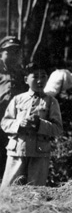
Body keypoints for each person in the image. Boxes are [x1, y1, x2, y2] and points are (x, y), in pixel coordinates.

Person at [1, 63, 62, 187]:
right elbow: (5, 122)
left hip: (39, 154)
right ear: (26, 80)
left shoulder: (51, 102)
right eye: (35, 77)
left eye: (43, 76)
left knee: (35, 192)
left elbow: (58, 129)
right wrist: (19, 124)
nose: (40, 81)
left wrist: (40, 124)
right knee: (8, 190)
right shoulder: (18, 99)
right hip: (17, 152)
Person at [0, 36, 27, 177]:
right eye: (9, 52)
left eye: (16, 52)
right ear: (1, 53)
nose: (13, 56)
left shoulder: (21, 74)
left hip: (13, 123)